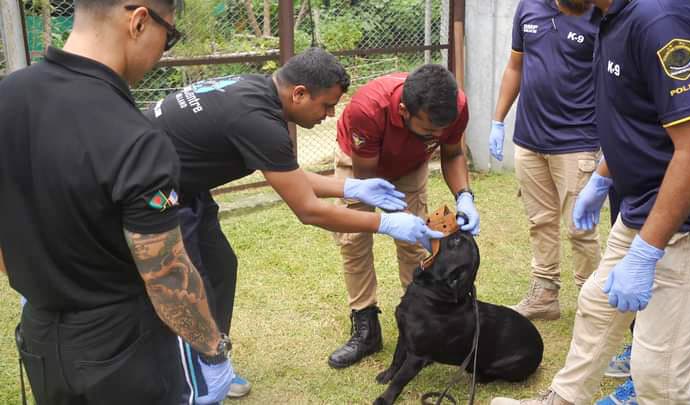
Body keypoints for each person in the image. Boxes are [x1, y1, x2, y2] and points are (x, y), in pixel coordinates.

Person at [146, 48, 444, 394]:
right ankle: (193, 377)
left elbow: (287, 173)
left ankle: (212, 355)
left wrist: (352, 186)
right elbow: (308, 210)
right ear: (299, 93)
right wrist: (387, 224)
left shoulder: (256, 91)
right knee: (187, 286)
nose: (331, 114)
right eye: (326, 105)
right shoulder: (258, 120)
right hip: (153, 192)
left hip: (186, 184)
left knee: (220, 266)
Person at [0, 1, 235, 404]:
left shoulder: (7, 95)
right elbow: (167, 278)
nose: (165, 52)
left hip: (41, 338)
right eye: (170, 36)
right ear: (140, 21)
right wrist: (213, 350)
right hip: (123, 352)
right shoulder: (136, 138)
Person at [491, 0, 690, 404]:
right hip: (641, 205)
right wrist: (601, 177)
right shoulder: (607, 16)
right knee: (597, 307)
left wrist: (648, 250)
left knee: (658, 377)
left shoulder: (660, 20)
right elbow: (636, 117)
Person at [327, 64, 480, 369]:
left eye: (440, 131)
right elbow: (370, 182)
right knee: (354, 240)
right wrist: (400, 219)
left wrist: (465, 196)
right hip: (362, 169)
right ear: (403, 111)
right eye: (429, 131)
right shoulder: (366, 109)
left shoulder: (455, 106)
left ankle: (422, 324)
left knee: (414, 247)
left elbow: (452, 154)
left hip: (410, 165)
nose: (437, 136)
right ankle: (366, 326)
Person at [489, 0, 601, 321]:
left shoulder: (595, 11)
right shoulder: (528, 7)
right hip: (529, 138)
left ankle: (591, 301)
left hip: (577, 140)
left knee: (581, 227)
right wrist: (498, 120)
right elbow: (515, 66)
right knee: (540, 221)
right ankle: (544, 294)